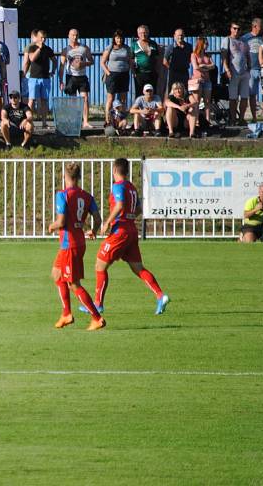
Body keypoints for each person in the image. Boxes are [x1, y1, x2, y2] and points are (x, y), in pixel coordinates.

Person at [88, 158, 169, 316]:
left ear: (115, 170)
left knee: (100, 265)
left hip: (121, 231)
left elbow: (119, 205)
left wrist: (107, 223)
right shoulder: (131, 187)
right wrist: (129, 216)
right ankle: (160, 296)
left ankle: (98, 304)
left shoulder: (118, 186)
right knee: (138, 268)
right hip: (131, 229)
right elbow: (138, 208)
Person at [49, 162, 105, 331]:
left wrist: (51, 226)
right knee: (56, 274)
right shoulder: (87, 196)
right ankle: (66, 313)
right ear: (78, 177)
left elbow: (61, 221)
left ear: (65, 177)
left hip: (69, 244)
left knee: (74, 284)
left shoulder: (63, 195)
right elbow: (98, 218)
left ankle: (97, 318)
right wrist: (93, 231)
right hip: (79, 241)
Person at [58, 29, 95, 128]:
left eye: (76, 35)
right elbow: (61, 66)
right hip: (71, 77)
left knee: (85, 99)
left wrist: (84, 63)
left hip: (82, 77)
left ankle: (85, 122)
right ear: (69, 36)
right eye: (73, 35)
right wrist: (61, 81)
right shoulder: (66, 50)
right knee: (72, 100)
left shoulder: (84, 48)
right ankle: (74, 121)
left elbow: (92, 61)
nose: (75, 37)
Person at [23, 29, 55, 129]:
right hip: (33, 78)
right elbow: (32, 59)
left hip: (45, 78)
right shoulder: (32, 47)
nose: (43, 39)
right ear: (37, 37)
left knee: (44, 100)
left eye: (45, 37)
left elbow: (54, 60)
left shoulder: (48, 49)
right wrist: (39, 49)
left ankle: (44, 122)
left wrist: (52, 71)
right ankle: (30, 122)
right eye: (41, 37)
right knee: (31, 100)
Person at [221, 22, 251, 125]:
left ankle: (241, 119)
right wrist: (227, 70)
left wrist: (249, 67)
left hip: (244, 72)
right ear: (231, 29)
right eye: (234, 28)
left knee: (244, 96)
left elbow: (247, 55)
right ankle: (233, 119)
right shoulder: (227, 40)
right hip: (233, 72)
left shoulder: (243, 41)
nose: (236, 30)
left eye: (238, 29)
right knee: (233, 97)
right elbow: (224, 56)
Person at [101, 30, 133, 127]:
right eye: (117, 38)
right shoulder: (109, 48)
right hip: (112, 75)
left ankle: (121, 119)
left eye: (121, 38)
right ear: (114, 38)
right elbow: (102, 62)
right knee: (111, 98)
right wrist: (109, 73)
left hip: (124, 74)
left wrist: (133, 71)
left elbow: (130, 61)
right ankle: (107, 119)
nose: (119, 40)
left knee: (123, 99)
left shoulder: (126, 48)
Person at [242, 18, 263, 123]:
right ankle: (254, 117)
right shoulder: (245, 38)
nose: (262, 28)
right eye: (260, 26)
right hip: (250, 70)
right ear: (254, 26)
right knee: (252, 94)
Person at [190, 36, 215, 126]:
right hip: (198, 80)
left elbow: (213, 65)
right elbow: (196, 67)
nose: (207, 45)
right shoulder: (194, 54)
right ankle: (196, 121)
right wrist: (206, 67)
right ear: (201, 44)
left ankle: (207, 120)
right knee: (197, 101)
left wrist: (203, 66)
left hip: (207, 80)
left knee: (207, 102)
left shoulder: (207, 55)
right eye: (206, 43)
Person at [132, 25, 161, 98]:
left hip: (152, 73)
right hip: (140, 73)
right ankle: (139, 109)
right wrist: (133, 72)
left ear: (148, 33)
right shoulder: (134, 45)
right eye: (141, 33)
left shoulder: (153, 43)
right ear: (138, 34)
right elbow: (131, 60)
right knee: (139, 94)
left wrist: (157, 71)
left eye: (145, 32)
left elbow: (157, 58)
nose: (143, 34)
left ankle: (153, 108)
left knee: (153, 93)